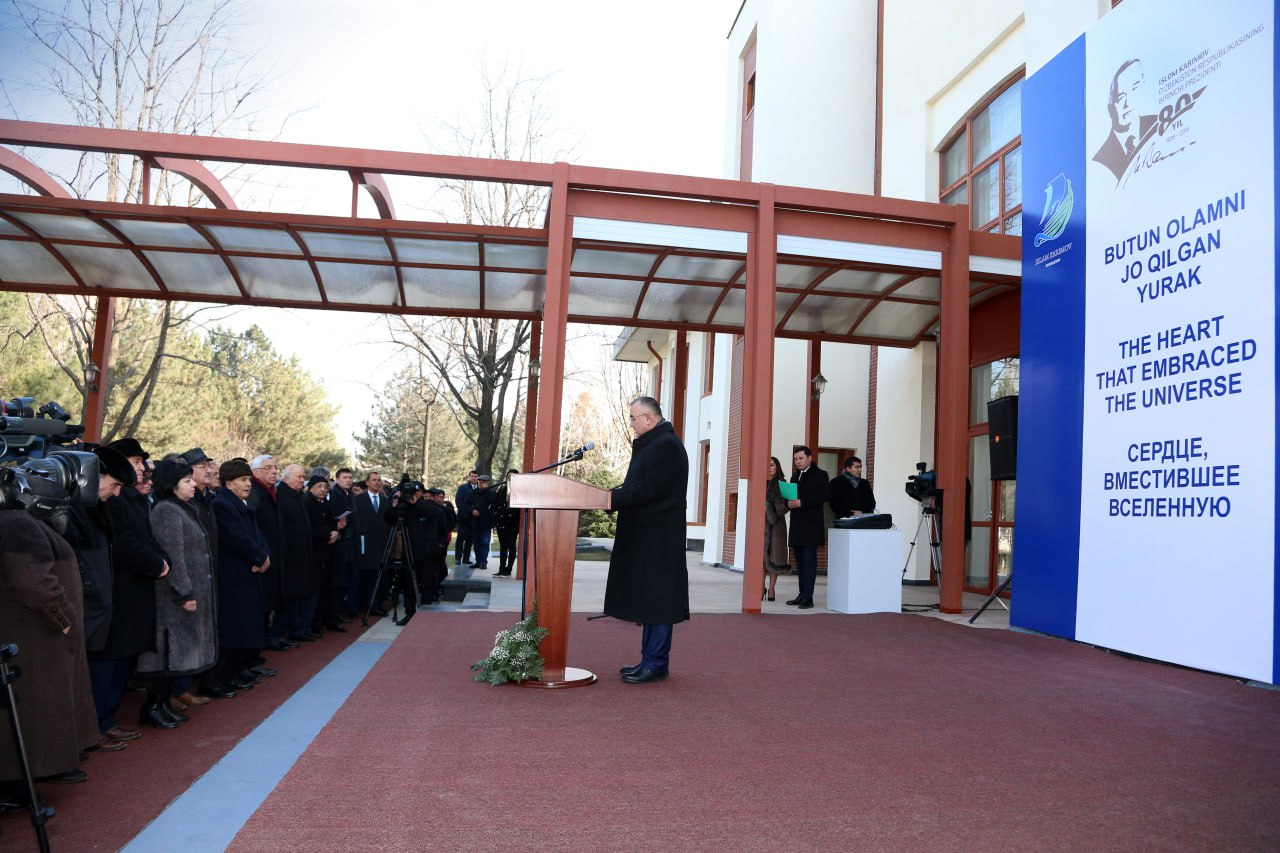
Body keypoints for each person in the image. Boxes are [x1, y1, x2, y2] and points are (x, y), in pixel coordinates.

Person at [0, 509, 100, 792]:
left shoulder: (22, 521)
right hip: (33, 636)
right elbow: (33, 583)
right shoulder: (17, 523)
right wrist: (65, 621)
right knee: (35, 709)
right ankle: (18, 781)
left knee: (45, 708)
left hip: (39, 635)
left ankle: (48, 765)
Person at [605, 396, 689, 684]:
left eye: (633, 418)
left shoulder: (666, 446)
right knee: (650, 599)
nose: (631, 423)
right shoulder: (656, 443)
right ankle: (649, 659)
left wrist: (612, 499)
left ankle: (656, 663)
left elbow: (648, 489)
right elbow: (641, 485)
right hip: (650, 535)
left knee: (659, 599)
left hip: (660, 537)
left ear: (649, 419)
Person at [95, 438, 172, 731]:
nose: (142, 468)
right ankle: (99, 723)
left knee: (123, 660)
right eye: (136, 462)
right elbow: (124, 544)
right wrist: (156, 564)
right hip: (119, 594)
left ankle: (107, 720)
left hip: (136, 591)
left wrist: (162, 560)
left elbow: (148, 539)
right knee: (109, 662)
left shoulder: (131, 497)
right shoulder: (115, 500)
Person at [137, 457, 216, 729]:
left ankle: (162, 704)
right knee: (168, 656)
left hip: (182, 595)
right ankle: (153, 707)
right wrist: (184, 593)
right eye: (186, 480)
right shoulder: (166, 511)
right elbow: (174, 557)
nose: (193, 485)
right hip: (172, 599)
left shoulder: (182, 508)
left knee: (175, 657)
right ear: (172, 484)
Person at [206, 458, 271, 698]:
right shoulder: (222, 505)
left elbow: (257, 535)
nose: (248, 484)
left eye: (248, 479)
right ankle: (216, 679)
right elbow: (236, 538)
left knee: (244, 627)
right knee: (233, 629)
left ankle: (233, 673)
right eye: (243, 480)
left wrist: (264, 556)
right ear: (229, 482)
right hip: (233, 576)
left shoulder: (240, 503)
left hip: (248, 572)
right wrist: (259, 558)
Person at [248, 454, 289, 652]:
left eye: (275, 467)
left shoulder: (273, 492)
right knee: (263, 603)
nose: (274, 471)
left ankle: (271, 637)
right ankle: (261, 641)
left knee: (274, 599)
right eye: (268, 468)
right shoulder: (254, 494)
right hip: (261, 558)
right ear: (255, 472)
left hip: (275, 555)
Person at [1093, 59, 1157, 182]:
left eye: (1134, 89)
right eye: (1121, 97)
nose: (1128, 103)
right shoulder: (1101, 160)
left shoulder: (1159, 124)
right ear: (1110, 108)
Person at [276, 464, 318, 643]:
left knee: (300, 595)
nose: (303, 480)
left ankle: (299, 628)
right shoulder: (281, 497)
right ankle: (290, 630)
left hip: (302, 555)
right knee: (291, 597)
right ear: (286, 478)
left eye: (303, 477)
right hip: (290, 557)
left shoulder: (298, 496)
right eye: (299, 477)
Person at [786, 445, 829, 610]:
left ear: (810, 458)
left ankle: (808, 598)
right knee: (800, 563)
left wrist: (802, 502)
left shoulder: (820, 474)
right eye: (795, 459)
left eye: (801, 458)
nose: (798, 462)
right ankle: (801, 594)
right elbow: (790, 497)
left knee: (809, 562)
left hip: (811, 526)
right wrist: (789, 503)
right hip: (797, 526)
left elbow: (824, 496)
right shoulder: (794, 476)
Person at [303, 474, 343, 633]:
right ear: (310, 488)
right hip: (314, 552)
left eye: (325, 487)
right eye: (319, 486)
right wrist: (328, 534)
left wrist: (335, 532)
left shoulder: (326, 504)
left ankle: (323, 619)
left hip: (327, 552)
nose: (323, 490)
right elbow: (312, 527)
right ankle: (312, 623)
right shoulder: (306, 503)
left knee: (326, 588)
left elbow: (332, 522)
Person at [352, 471, 391, 617]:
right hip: (364, 544)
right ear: (367, 482)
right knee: (363, 577)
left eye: (379, 480)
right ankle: (361, 605)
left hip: (381, 545)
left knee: (379, 578)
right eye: (374, 480)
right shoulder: (358, 499)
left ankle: (375, 605)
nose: (377, 482)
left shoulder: (385, 500)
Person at [763, 456, 791, 602]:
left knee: (775, 558)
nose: (769, 468)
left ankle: (772, 588)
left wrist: (769, 507)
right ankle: (760, 587)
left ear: (777, 467)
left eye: (772, 465)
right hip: (761, 525)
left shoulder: (783, 484)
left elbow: (787, 506)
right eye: (767, 465)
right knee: (761, 558)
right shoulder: (760, 482)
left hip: (777, 526)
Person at [493, 469, 521, 577]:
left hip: (512, 523)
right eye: (509, 476)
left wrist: (510, 517)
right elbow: (496, 504)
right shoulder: (502, 489)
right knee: (503, 547)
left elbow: (517, 508)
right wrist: (497, 518)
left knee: (511, 546)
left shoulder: (519, 491)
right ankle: (501, 569)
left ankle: (508, 570)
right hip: (501, 523)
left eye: (513, 476)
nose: (510, 478)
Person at [467, 474, 496, 570]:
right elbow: (466, 504)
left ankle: (483, 562)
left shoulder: (491, 493)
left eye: (483, 482)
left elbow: (493, 503)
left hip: (486, 522)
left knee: (484, 542)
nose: (480, 483)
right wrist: (472, 510)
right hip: (475, 521)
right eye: (479, 481)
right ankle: (478, 561)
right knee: (476, 542)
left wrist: (486, 489)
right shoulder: (472, 493)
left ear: (487, 482)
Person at [454, 470, 478, 567]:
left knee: (469, 540)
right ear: (469, 477)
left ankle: (466, 559)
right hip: (463, 518)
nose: (474, 478)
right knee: (460, 539)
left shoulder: (479, 489)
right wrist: (470, 511)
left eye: (475, 476)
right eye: (472, 476)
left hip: (474, 520)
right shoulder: (463, 488)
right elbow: (459, 502)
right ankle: (457, 558)